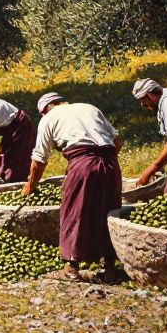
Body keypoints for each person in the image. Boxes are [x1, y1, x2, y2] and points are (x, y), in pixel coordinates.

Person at [24, 92, 123, 283]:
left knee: (74, 212)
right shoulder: (89, 107)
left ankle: (71, 268)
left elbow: (39, 160)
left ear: (46, 109)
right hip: (110, 164)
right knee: (109, 212)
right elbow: (116, 142)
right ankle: (110, 269)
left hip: (83, 163)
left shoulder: (48, 119)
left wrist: (30, 186)